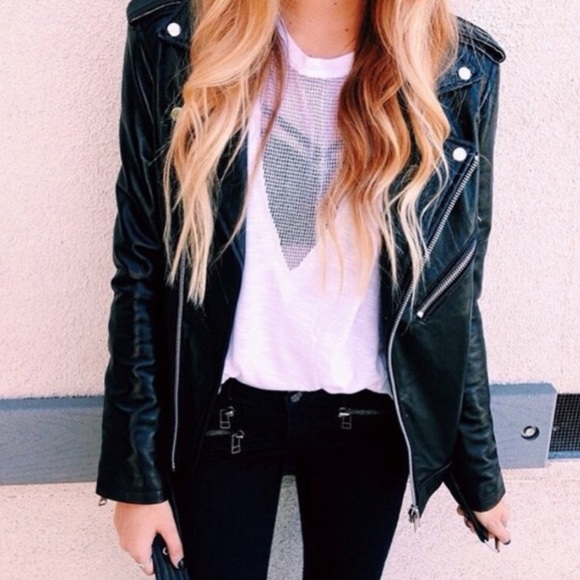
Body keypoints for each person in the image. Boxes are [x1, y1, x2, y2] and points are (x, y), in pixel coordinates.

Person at [97, 0, 511, 578]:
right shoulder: (176, 40)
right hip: (222, 415)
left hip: (368, 422)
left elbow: (454, 295)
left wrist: (478, 467)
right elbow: (141, 266)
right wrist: (135, 476)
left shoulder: (457, 69)